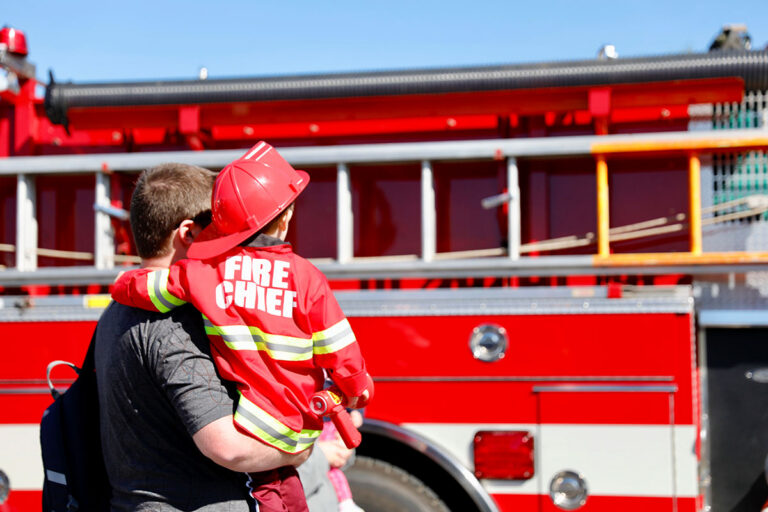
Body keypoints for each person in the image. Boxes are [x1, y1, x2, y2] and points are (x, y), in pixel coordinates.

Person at [110, 142, 371, 512]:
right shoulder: (308, 278)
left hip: (253, 417)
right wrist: (355, 393)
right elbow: (341, 348)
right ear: (285, 218)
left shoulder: (201, 275)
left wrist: (119, 283)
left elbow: (149, 286)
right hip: (297, 421)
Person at [94, 163, 310, 511]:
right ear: (189, 234)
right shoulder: (174, 324)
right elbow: (227, 445)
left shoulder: (116, 310)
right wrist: (300, 447)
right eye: (220, 228)